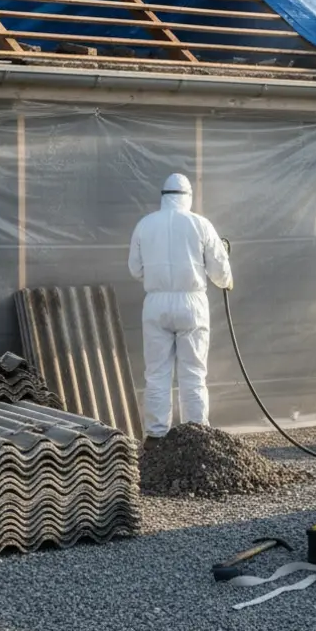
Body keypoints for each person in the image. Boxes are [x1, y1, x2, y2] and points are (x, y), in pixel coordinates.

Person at [128, 173, 233, 441]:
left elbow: (134, 269)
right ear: (187, 197)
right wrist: (226, 281)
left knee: (157, 374)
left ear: (163, 196)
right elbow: (219, 269)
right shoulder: (201, 224)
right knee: (194, 373)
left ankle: (156, 437)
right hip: (192, 303)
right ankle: (196, 436)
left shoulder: (145, 225)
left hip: (156, 304)